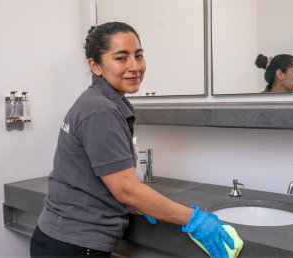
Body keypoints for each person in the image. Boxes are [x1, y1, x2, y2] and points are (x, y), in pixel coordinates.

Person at [30, 22, 234, 258]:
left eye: (138, 55)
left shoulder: (97, 101)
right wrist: (194, 219)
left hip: (59, 236)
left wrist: (143, 201)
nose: (135, 66)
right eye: (121, 58)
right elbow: (126, 190)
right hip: (74, 244)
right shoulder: (101, 109)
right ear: (95, 66)